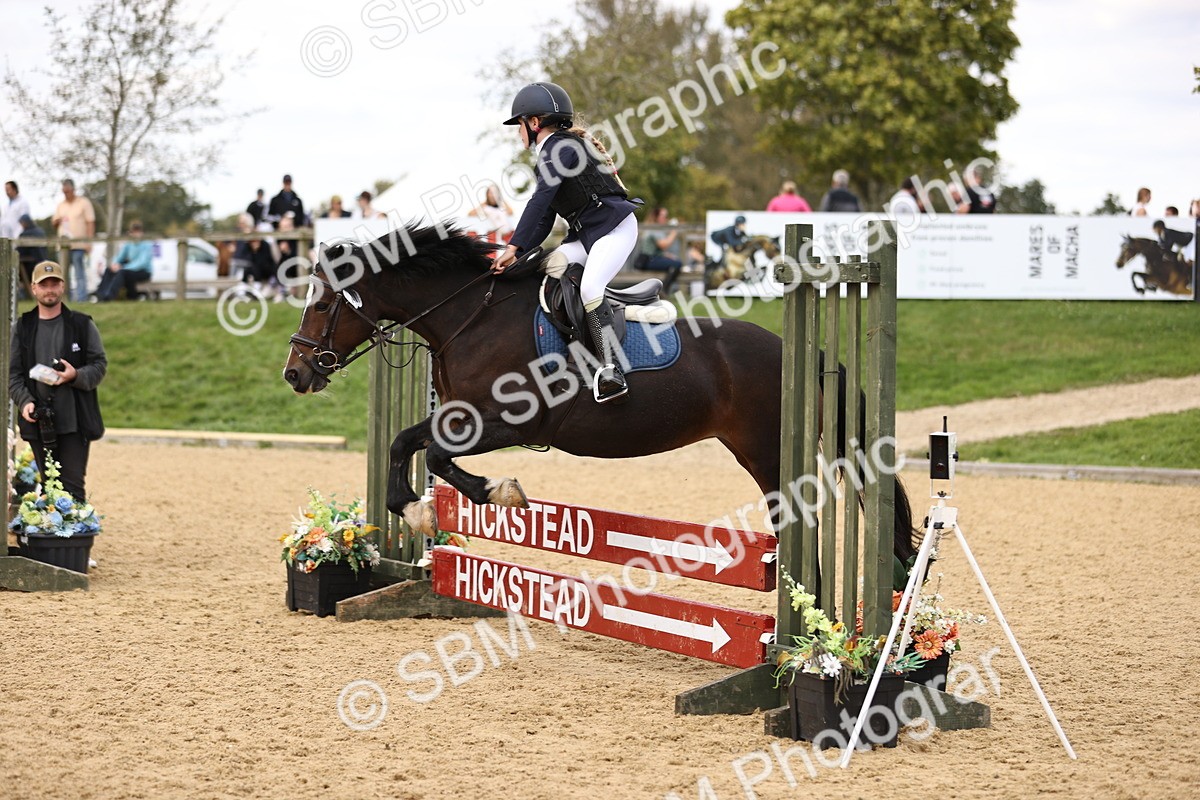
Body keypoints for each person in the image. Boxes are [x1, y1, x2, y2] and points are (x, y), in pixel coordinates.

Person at [492, 81, 641, 404]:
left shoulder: (559, 148)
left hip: (614, 230)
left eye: (519, 125)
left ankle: (610, 369)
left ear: (534, 123)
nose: (518, 134)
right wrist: (521, 254)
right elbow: (545, 217)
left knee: (590, 289)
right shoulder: (555, 150)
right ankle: (573, 350)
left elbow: (539, 201)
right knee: (549, 267)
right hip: (589, 234)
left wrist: (513, 246)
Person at [9, 260, 107, 503]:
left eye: (54, 284)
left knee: (73, 490)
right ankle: (53, 529)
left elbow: (99, 365)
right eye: (44, 285)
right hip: (38, 421)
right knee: (49, 488)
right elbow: (13, 375)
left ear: (63, 286)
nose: (49, 289)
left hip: (75, 421)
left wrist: (75, 376)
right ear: (33, 288)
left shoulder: (82, 324)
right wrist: (25, 402)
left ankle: (76, 529)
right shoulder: (22, 327)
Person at [52, 179, 96, 302]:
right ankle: (65, 299)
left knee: (79, 273)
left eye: (67, 191)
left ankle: (82, 299)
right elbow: (54, 223)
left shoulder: (84, 202)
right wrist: (57, 221)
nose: (65, 193)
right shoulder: (61, 205)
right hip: (62, 246)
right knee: (62, 274)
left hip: (79, 245)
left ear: (73, 189)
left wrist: (89, 242)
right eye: (64, 191)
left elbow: (90, 222)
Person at [96, 221, 153, 301]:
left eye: (138, 232)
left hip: (143, 271)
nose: (136, 234)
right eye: (134, 232)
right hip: (130, 270)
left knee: (122, 273)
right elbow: (119, 256)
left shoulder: (147, 244)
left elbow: (141, 263)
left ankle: (110, 297)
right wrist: (114, 264)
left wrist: (123, 267)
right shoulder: (129, 244)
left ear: (142, 232)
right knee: (109, 270)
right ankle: (100, 296)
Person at [635, 207, 682, 294]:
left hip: (651, 259)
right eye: (664, 216)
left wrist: (667, 255)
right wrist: (674, 233)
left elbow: (657, 250)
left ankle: (663, 290)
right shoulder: (654, 228)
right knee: (677, 264)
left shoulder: (654, 228)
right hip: (648, 260)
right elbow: (663, 245)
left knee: (674, 262)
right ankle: (664, 290)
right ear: (656, 217)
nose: (666, 219)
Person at [16, 214, 48, 290]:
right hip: (44, 262)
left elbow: (20, 251)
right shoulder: (41, 232)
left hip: (30, 265)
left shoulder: (25, 234)